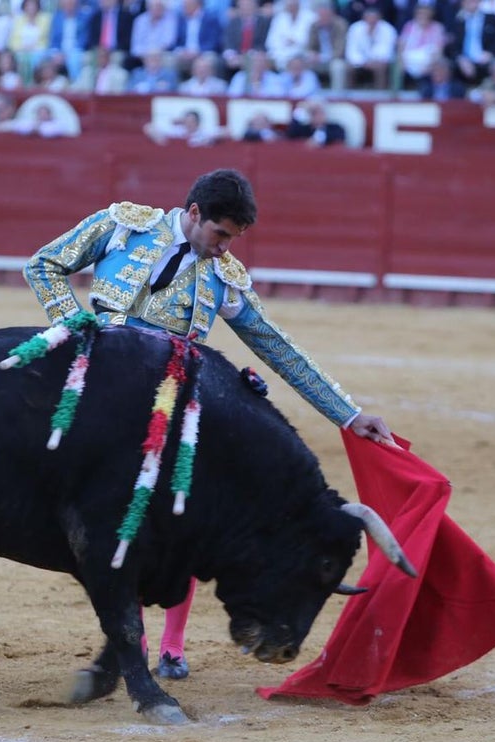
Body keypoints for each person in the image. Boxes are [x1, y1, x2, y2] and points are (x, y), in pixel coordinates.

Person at [23, 169, 395, 680]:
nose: (224, 250)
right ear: (193, 213)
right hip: (101, 391)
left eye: (234, 240)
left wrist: (347, 413)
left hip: (169, 402)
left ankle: (172, 648)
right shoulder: (123, 227)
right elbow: (43, 265)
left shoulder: (225, 278)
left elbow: (277, 346)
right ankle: (135, 639)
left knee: (186, 514)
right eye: (220, 235)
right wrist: (78, 326)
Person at [344, 5, 397, 90]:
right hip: (360, 61)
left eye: (374, 18)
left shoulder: (388, 29)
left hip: (379, 61)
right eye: (369, 18)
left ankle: (380, 95)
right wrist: (363, 62)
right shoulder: (355, 28)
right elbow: (351, 50)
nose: (371, 21)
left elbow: (387, 51)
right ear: (364, 18)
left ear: (379, 18)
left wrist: (373, 61)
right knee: (348, 68)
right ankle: (349, 95)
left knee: (380, 67)